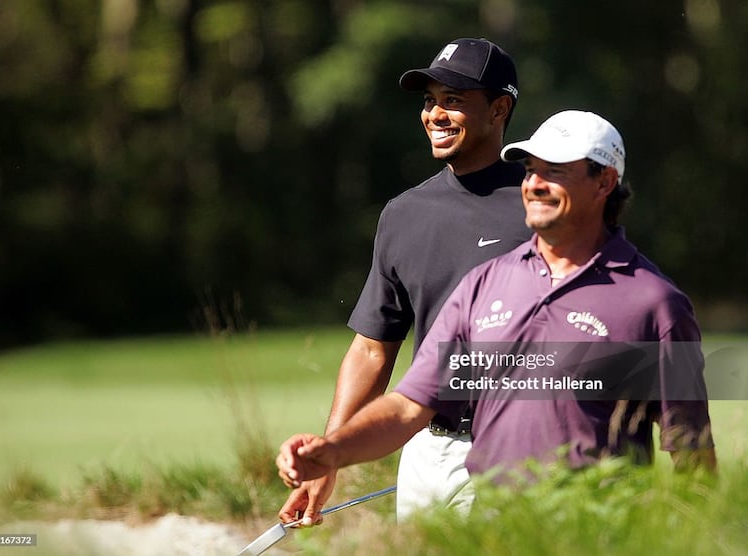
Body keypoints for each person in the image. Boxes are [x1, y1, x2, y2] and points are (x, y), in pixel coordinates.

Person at [276, 110, 717, 498]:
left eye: (556, 172)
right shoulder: (485, 284)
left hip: (597, 534)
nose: (534, 185)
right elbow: (409, 407)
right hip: (491, 528)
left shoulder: (653, 303)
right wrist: (331, 451)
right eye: (530, 170)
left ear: (604, 182)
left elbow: (690, 449)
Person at [278, 38, 531, 525]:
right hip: (426, 456)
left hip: (519, 453)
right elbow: (373, 349)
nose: (435, 114)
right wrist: (328, 456)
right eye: (429, 101)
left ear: (500, 108)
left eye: (453, 101)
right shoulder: (404, 215)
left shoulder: (540, 205)